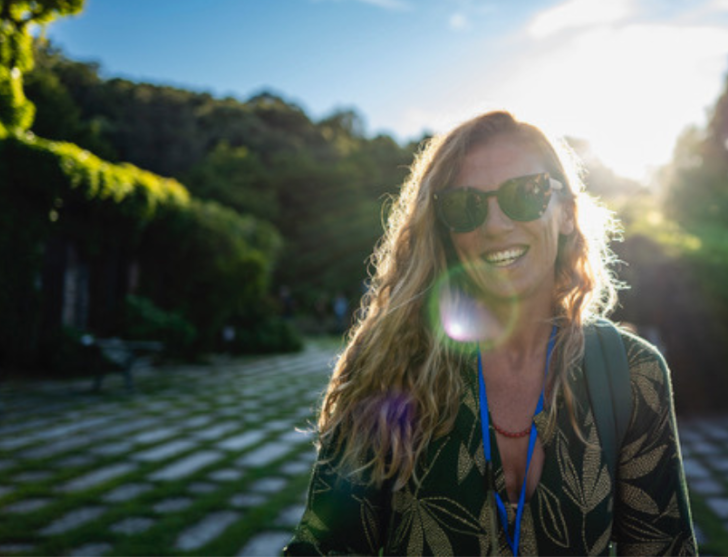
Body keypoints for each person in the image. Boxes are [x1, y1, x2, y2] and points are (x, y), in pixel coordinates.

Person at [286, 111, 695, 555]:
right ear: (444, 232)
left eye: (525, 194)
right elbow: (328, 546)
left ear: (565, 214)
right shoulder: (388, 363)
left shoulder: (632, 372)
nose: (496, 225)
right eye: (466, 205)